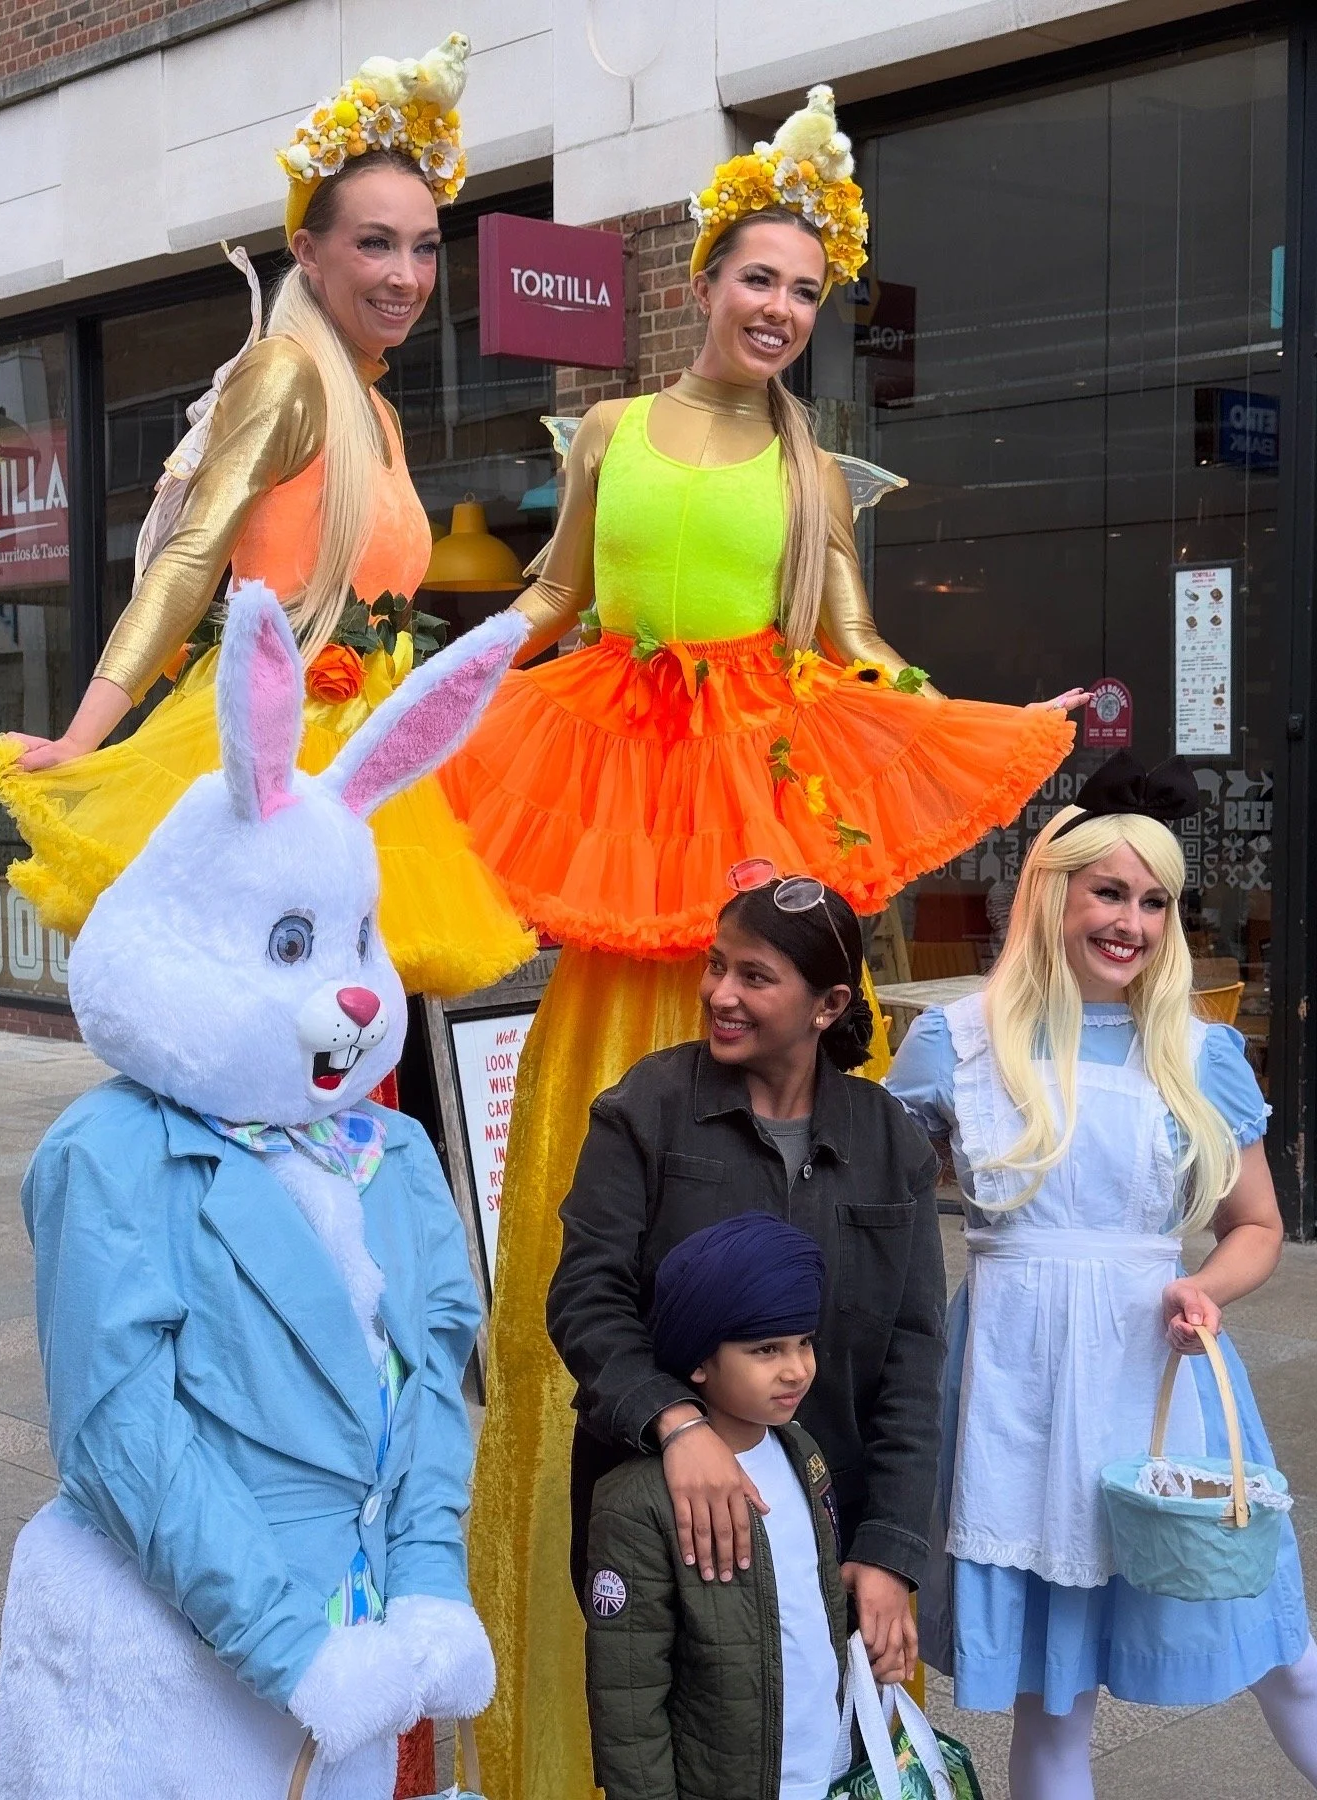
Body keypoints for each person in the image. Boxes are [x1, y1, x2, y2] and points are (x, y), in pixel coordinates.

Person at [438, 84, 1083, 1798]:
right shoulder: (608, 440)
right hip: (618, 802)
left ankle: (772, 1611)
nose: (781, 309)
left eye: (808, 292)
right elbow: (555, 602)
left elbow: (857, 650)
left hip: (745, 833)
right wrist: (432, 698)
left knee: (759, 1153)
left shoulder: (819, 471)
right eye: (760, 279)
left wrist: (961, 723)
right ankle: (596, 1607)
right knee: (610, 1159)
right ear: (703, 279)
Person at [0, 36, 533, 1000]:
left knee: (354, 1032)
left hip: (369, 757)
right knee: (278, 1018)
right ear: (308, 253)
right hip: (286, 748)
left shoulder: (381, 411)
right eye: (375, 243)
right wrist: (85, 736)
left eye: (424, 246)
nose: (406, 275)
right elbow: (191, 557)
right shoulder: (286, 375)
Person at [883, 750, 1317, 1800]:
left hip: (1164, 1378)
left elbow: (1259, 1226)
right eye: (1109, 892)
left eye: (1155, 901)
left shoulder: (1201, 1052)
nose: (1131, 923)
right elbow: (872, 1204)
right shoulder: (948, 1046)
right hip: (1015, 1395)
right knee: (1054, 1700)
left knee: (1283, 1651)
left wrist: (1209, 1288)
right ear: (1053, 890)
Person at [550, 876, 945, 1772]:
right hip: (674, 1532)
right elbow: (584, 1297)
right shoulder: (646, 1110)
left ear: (829, 1004)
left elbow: (914, 1361)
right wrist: (675, 1424)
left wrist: (889, 1551)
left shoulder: (889, 1142)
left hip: (831, 1530)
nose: (720, 994)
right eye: (716, 965)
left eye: (756, 978)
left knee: (825, 1759)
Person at [584, 1212, 851, 1800]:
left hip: (820, 1766)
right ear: (699, 1359)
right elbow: (628, 1699)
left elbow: (817, 1605)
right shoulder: (638, 1502)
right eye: (766, 1349)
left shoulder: (802, 1453)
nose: (796, 1369)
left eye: (804, 1342)